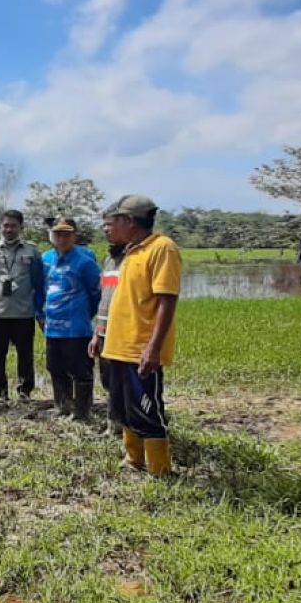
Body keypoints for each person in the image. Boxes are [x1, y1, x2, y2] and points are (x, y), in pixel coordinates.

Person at [100, 195, 182, 476]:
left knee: (147, 411)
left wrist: (153, 348)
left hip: (139, 349)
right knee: (124, 410)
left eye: (116, 221)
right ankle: (133, 461)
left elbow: (166, 301)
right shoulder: (131, 251)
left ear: (130, 222)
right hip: (117, 347)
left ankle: (159, 471)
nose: (110, 227)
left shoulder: (162, 249)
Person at [0, 209, 45, 406]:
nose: (9, 229)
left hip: (23, 311)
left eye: (13, 226)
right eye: (5, 225)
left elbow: (37, 279)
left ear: (21, 227)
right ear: (0, 227)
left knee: (25, 354)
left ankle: (25, 391)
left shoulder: (31, 250)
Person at [41, 216, 101, 420]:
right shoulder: (46, 259)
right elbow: (42, 288)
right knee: (55, 367)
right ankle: (62, 406)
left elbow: (96, 294)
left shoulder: (85, 262)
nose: (62, 238)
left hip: (76, 327)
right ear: (52, 236)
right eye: (58, 234)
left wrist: (85, 314)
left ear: (74, 236)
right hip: (52, 327)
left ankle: (82, 412)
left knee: (80, 369)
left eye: (67, 234)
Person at [88, 226, 129, 435]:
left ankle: (126, 425)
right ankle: (114, 423)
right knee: (108, 380)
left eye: (111, 227)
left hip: (123, 332)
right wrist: (96, 333)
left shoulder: (133, 261)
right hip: (104, 330)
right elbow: (105, 299)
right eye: (103, 227)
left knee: (122, 381)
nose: (105, 231)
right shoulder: (108, 261)